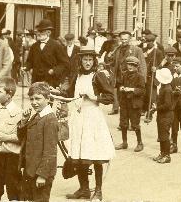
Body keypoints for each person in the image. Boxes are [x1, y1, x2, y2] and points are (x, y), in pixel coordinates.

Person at [61, 48, 115, 201]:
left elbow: (110, 97)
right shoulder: (76, 76)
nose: (87, 62)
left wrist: (95, 97)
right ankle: (84, 189)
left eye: (90, 60)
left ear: (94, 61)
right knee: (79, 154)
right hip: (78, 118)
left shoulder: (97, 76)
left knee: (95, 154)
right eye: (85, 59)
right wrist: (57, 92)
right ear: (80, 61)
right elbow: (70, 94)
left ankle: (98, 191)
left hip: (93, 119)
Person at [17, 82, 58, 202]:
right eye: (32, 99)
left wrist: (42, 175)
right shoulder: (36, 116)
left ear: (47, 99)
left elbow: (50, 151)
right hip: (31, 170)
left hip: (40, 173)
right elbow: (22, 139)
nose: (34, 102)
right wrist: (24, 121)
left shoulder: (49, 119)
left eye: (38, 99)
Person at [25, 19, 69, 88]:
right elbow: (29, 61)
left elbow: (64, 63)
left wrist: (53, 70)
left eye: (41, 31)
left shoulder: (56, 46)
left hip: (51, 80)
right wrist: (28, 68)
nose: (38, 33)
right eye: (38, 31)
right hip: (36, 80)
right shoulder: (34, 46)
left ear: (49, 32)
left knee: (49, 97)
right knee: (36, 97)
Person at [115, 56, 145, 152]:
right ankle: (124, 142)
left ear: (136, 66)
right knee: (123, 123)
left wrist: (131, 89)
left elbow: (142, 90)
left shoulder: (140, 77)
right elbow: (119, 84)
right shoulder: (124, 75)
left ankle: (140, 143)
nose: (130, 67)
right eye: (128, 64)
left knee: (135, 124)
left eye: (132, 65)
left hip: (134, 104)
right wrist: (121, 88)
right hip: (124, 103)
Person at [112, 31, 146, 115]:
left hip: (132, 79)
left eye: (125, 39)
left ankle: (133, 123)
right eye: (122, 39)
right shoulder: (117, 49)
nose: (124, 41)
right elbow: (114, 63)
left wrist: (143, 79)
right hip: (120, 78)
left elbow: (142, 65)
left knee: (132, 102)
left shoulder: (137, 50)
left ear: (130, 39)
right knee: (122, 101)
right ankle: (124, 122)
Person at [151, 68, 174, 164]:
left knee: (164, 136)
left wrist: (157, 107)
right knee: (161, 135)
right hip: (162, 115)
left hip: (166, 116)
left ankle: (167, 155)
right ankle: (162, 153)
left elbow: (167, 105)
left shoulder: (167, 89)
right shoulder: (163, 87)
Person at [143, 34, 164, 123]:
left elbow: (162, 64)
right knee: (144, 95)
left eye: (149, 42)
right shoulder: (143, 51)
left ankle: (150, 114)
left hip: (152, 77)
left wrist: (157, 68)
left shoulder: (157, 52)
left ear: (153, 42)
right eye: (146, 41)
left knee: (152, 96)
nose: (147, 43)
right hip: (144, 76)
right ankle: (143, 110)